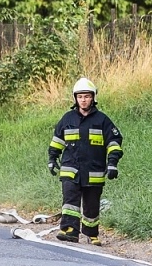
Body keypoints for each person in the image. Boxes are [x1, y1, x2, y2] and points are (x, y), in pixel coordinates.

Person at [47, 77, 123, 244]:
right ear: (75, 98)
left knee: (91, 205)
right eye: (80, 96)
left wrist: (112, 164)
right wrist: (52, 158)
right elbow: (57, 141)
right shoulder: (67, 119)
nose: (83, 100)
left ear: (93, 98)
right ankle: (69, 230)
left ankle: (91, 234)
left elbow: (114, 142)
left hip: (93, 171)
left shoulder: (102, 120)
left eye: (87, 96)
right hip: (70, 169)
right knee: (70, 201)